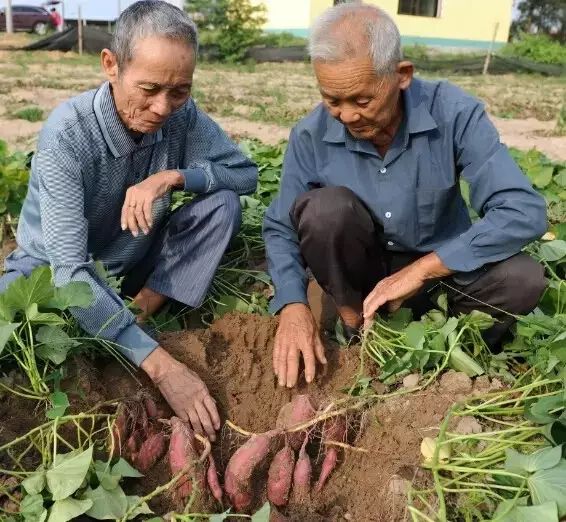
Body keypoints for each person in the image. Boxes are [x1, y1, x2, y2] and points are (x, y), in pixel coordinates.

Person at [0, 0, 257, 441]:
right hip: (52, 273)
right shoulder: (69, 134)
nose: (162, 108)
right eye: (149, 88)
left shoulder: (182, 118)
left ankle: (140, 311)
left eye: (179, 91)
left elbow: (246, 175)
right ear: (110, 65)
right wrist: (162, 367)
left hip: (134, 257)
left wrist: (173, 176)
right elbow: (70, 275)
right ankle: (125, 333)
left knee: (223, 205)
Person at [263, 2, 547, 389]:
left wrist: (423, 270)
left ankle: (439, 357)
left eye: (362, 100)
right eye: (332, 100)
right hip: (360, 272)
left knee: (523, 279)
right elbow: (280, 227)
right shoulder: (310, 133)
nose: (346, 116)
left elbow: (523, 210)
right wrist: (292, 304)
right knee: (324, 211)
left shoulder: (454, 114)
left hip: (440, 272)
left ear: (402, 76)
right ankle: (349, 319)